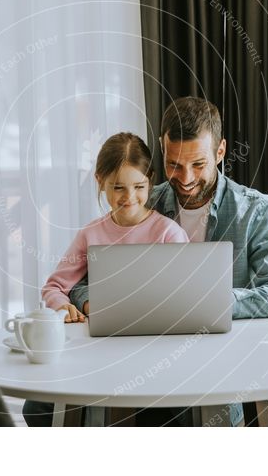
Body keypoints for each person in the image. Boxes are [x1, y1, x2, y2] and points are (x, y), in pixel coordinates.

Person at [69, 97, 268, 426]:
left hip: (219, 365)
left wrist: (210, 301)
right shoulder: (142, 199)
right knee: (48, 405)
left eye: (198, 164)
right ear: (163, 151)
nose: (185, 177)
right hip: (139, 362)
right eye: (174, 164)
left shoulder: (257, 212)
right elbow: (83, 281)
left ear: (220, 152)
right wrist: (92, 301)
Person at [23, 132, 189, 426]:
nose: (129, 198)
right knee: (37, 407)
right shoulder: (91, 234)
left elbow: (185, 296)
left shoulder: (168, 233)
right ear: (100, 181)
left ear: (150, 179)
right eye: (118, 188)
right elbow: (54, 286)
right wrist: (61, 305)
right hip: (99, 348)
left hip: (154, 351)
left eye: (139, 186)